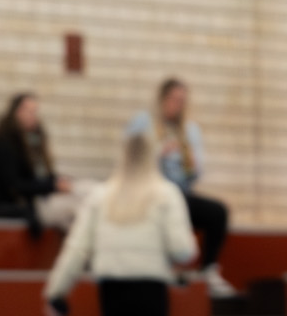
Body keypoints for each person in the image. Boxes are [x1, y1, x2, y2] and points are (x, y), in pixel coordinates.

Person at [43, 114, 196, 316]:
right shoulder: (167, 194)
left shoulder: (100, 195)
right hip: (152, 290)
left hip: (112, 291)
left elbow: (76, 249)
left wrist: (56, 292)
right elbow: (182, 250)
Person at [155, 80, 236, 299]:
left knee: (218, 211)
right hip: (155, 196)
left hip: (181, 194)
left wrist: (189, 163)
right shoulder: (147, 125)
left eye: (182, 101)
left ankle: (208, 271)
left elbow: (195, 175)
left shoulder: (189, 131)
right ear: (162, 100)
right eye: (174, 99)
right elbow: (136, 165)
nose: (178, 105)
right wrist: (159, 152)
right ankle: (162, 270)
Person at [0, 93, 93, 232]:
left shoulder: (34, 139)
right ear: (16, 112)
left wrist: (57, 182)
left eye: (34, 112)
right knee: (79, 207)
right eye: (28, 111)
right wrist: (52, 185)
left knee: (88, 189)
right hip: (26, 205)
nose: (32, 116)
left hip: (43, 199)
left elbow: (41, 175)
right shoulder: (5, 141)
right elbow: (14, 185)